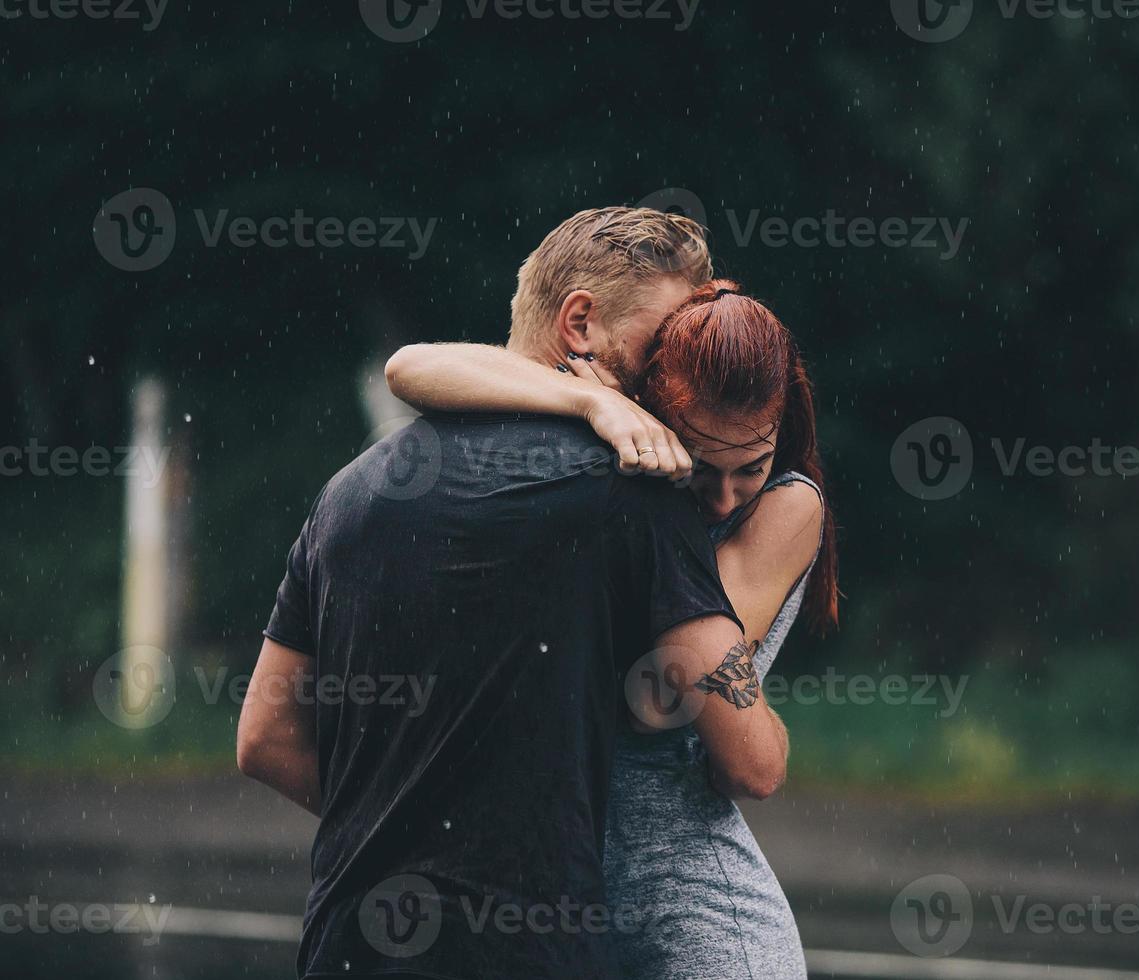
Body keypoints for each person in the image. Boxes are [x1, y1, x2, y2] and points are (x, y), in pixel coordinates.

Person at [237, 208, 791, 980]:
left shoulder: (350, 492)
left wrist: (409, 837)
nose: (679, 371)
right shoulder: (637, 493)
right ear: (581, 325)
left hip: (351, 940)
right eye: (663, 343)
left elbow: (263, 737)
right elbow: (751, 762)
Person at [383, 276, 839, 979]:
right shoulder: (618, 456)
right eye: (700, 466)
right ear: (655, 416)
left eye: (750, 465)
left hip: (701, 920)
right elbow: (409, 368)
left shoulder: (786, 509)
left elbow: (655, 700)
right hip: (567, 907)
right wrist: (588, 399)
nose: (722, 497)